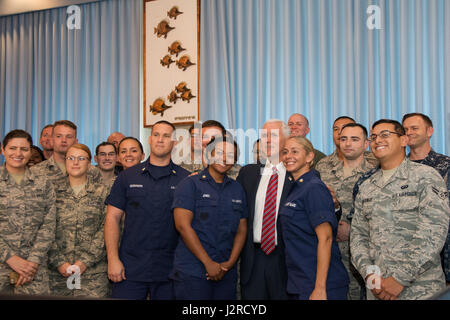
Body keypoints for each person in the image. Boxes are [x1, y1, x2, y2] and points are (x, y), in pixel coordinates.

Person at [350, 119, 450, 300]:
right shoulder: (367, 186)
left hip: (421, 290)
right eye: (373, 137)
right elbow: (358, 237)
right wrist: (372, 278)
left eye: (385, 135)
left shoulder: (425, 177)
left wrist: (399, 279)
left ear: (404, 140)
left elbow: (433, 233)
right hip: (378, 291)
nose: (377, 140)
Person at [105, 121, 189, 300]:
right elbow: (112, 218)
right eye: (157, 135)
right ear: (150, 140)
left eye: (166, 136)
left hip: (171, 269)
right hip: (130, 268)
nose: (160, 140)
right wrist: (113, 259)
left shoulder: (185, 179)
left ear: (174, 143)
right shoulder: (127, 177)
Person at [171, 137, 248, 299]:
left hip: (226, 272)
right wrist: (208, 263)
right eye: (219, 153)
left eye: (230, 155)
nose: (224, 158)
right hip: (193, 270)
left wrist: (230, 263)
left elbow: (241, 229)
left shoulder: (237, 188)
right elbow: (183, 227)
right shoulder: (190, 184)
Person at [279, 136, 349, 300]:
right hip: (300, 280)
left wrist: (319, 288)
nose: (289, 156)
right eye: (285, 152)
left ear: (310, 157)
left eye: (295, 151)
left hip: (321, 284)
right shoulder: (296, 188)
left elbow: (325, 238)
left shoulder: (314, 188)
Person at [317, 123, 378, 299]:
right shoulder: (323, 167)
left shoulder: (376, 169)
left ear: (366, 143)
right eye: (343, 139)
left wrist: (352, 229)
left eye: (354, 139)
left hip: (366, 251)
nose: (348, 143)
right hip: (331, 249)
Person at [237, 119, 293, 299]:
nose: (267, 140)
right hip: (253, 258)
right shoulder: (248, 173)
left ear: (287, 138)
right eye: (263, 136)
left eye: (273, 135)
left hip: (286, 259)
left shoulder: (300, 174)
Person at [48, 144, 110, 298]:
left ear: (89, 163)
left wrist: (84, 262)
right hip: (56, 273)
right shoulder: (51, 192)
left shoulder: (103, 192)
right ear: (65, 161)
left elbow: (108, 229)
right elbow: (44, 228)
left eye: (81, 158)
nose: (75, 162)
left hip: (92, 274)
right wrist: (59, 262)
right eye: (71, 158)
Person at [0, 130, 56, 295]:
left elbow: (49, 225)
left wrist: (32, 262)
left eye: (24, 149)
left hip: (33, 271)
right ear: (3, 150)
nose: (18, 153)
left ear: (30, 151)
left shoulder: (43, 183)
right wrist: (10, 258)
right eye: (12, 148)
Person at [402, 113, 450, 283]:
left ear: (430, 131)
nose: (409, 132)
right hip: (403, 256)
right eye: (405, 129)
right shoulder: (398, 169)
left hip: (441, 257)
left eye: (414, 128)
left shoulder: (446, 166)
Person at [32, 120, 102, 184]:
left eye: (69, 137)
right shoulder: (36, 172)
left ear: (76, 142)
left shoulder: (92, 171)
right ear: (52, 140)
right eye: (59, 136)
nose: (64, 140)